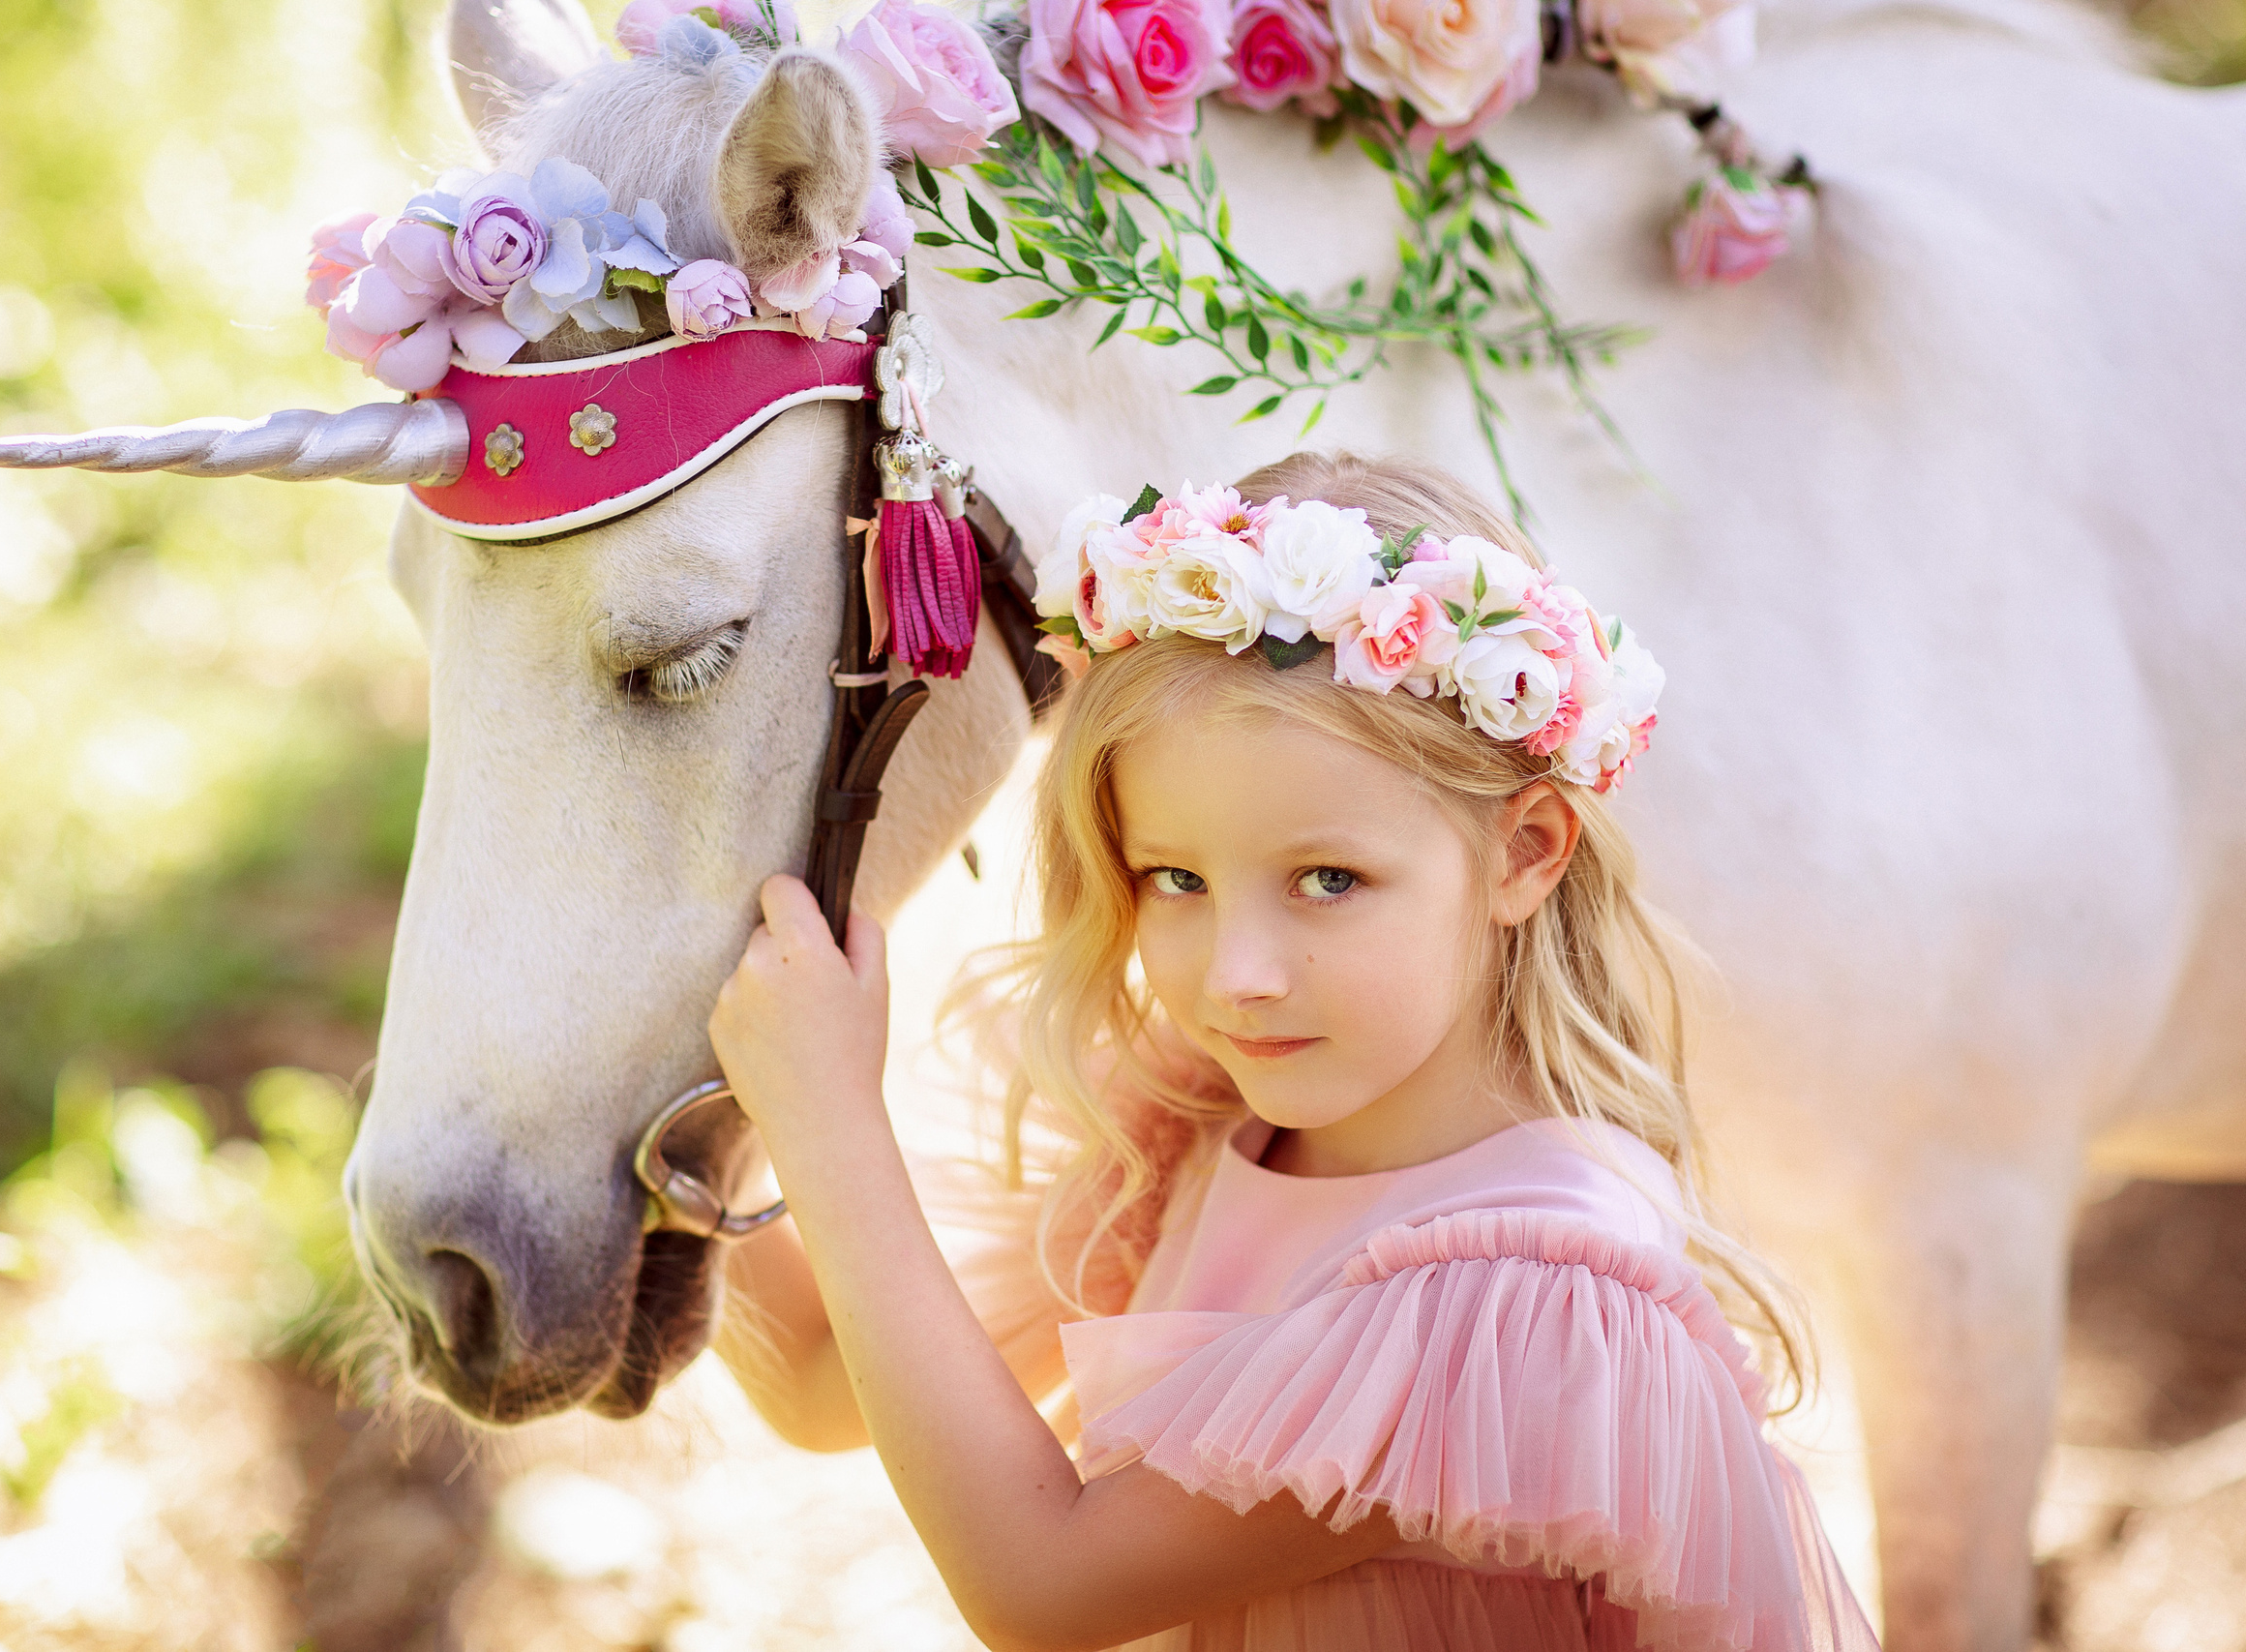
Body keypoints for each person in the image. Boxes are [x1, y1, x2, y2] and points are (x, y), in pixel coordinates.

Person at [706, 452, 1880, 1651]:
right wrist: (691, 1098)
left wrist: (827, 1121)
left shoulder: (1528, 1294)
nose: (1237, 975)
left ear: (1524, 852)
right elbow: (821, 1381)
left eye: (1326, 880)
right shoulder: (1190, 1130)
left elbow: (1040, 1584)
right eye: (1176, 878)